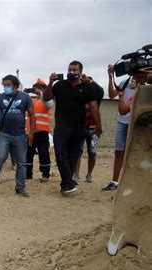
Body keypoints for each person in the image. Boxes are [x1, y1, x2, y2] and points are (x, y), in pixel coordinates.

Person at [43, 60, 102, 195]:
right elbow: (46, 97)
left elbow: (94, 107)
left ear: (81, 72)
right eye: (70, 70)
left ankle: (66, 184)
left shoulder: (88, 88)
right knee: (60, 155)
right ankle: (68, 183)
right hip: (61, 128)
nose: (72, 72)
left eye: (75, 70)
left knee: (73, 157)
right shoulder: (59, 85)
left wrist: (98, 126)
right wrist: (50, 82)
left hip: (79, 128)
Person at [0, 75, 35, 197]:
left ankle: (20, 188)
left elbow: (32, 115)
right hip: (4, 134)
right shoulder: (0, 97)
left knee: (21, 163)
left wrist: (31, 133)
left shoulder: (25, 97)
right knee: (0, 158)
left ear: (15, 85)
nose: (6, 87)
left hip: (20, 135)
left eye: (8, 85)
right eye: (4, 85)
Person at [102, 65, 147, 191]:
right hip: (123, 121)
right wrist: (111, 77)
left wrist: (140, 85)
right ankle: (115, 182)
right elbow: (111, 95)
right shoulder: (125, 82)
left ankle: (135, 182)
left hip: (137, 122)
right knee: (119, 152)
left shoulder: (146, 83)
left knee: (136, 152)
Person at [73, 76, 104, 184]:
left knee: (92, 153)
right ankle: (76, 175)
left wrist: (91, 81)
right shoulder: (81, 96)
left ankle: (89, 174)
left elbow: (100, 90)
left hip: (93, 130)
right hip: (80, 128)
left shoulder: (96, 98)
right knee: (78, 152)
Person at [25, 79, 53, 183]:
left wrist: (41, 93)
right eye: (35, 87)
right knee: (28, 154)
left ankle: (45, 174)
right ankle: (28, 174)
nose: (36, 89)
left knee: (43, 153)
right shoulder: (30, 100)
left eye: (39, 87)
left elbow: (48, 105)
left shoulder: (47, 99)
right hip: (30, 133)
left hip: (42, 132)